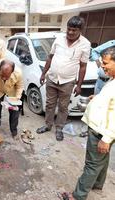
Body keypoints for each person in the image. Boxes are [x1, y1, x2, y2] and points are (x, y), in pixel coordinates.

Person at [61, 47, 115, 200]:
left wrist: (107, 138)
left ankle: (77, 196)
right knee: (102, 159)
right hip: (101, 129)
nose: (102, 66)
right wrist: (97, 98)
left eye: (106, 63)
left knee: (92, 164)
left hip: (101, 131)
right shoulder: (112, 79)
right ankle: (97, 184)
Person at [36, 16, 91, 141]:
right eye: (69, 29)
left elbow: (83, 66)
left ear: (80, 30)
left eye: (74, 30)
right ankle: (47, 125)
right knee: (50, 104)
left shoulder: (85, 44)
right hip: (52, 78)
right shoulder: (59, 39)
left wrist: (79, 85)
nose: (70, 32)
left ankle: (59, 128)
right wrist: (43, 74)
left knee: (63, 107)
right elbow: (50, 57)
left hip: (68, 81)